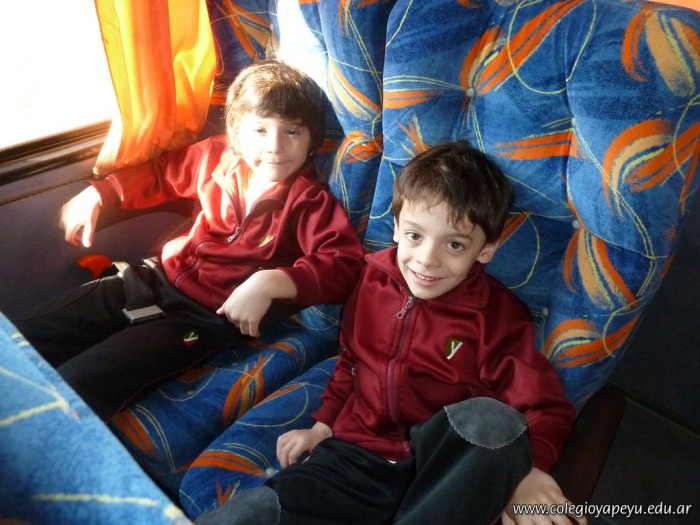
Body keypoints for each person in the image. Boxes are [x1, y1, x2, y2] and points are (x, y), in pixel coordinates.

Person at [194, 141, 582, 525]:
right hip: (355, 457)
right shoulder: (371, 280)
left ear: (486, 249)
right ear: (396, 227)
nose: (427, 259)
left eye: (454, 244)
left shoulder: (497, 317)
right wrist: (323, 426)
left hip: (439, 473)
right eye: (415, 236)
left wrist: (529, 469)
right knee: (251, 513)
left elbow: (543, 406)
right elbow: (351, 362)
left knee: (492, 419)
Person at [12, 60, 365, 421]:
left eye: (292, 132)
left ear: (311, 142)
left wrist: (271, 282)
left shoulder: (308, 200)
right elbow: (162, 174)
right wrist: (101, 194)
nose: (275, 147)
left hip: (203, 319)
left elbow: (343, 262)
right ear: (236, 134)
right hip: (153, 277)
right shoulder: (215, 157)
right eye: (260, 130)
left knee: (78, 382)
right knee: (26, 337)